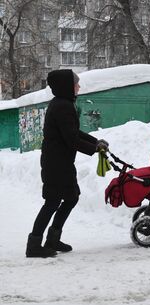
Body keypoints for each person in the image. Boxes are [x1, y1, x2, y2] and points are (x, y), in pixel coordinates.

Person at [26, 69, 109, 258]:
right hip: (56, 165)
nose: (79, 87)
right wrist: (95, 149)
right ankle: (34, 244)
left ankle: (53, 239)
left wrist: (96, 142)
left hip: (60, 163)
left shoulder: (63, 104)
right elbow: (71, 139)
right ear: (67, 86)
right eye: (76, 83)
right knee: (53, 202)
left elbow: (74, 132)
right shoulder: (62, 106)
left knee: (71, 198)